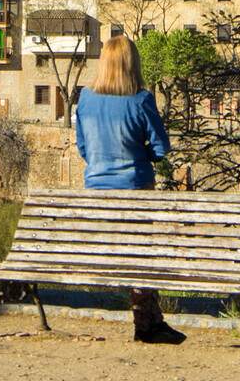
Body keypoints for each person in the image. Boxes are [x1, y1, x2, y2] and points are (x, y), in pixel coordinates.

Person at [75, 34, 183, 344]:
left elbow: (83, 147)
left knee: (133, 254)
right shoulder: (141, 99)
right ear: (131, 64)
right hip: (135, 189)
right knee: (141, 254)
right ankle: (147, 323)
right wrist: (141, 155)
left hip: (96, 189)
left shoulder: (86, 98)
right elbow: (162, 149)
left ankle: (152, 322)